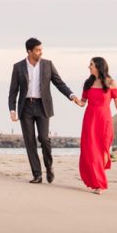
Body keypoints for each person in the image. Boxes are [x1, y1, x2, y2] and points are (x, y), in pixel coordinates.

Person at [8, 37, 82, 184]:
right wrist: (12, 109)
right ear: (29, 51)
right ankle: (37, 175)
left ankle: (49, 167)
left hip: (43, 106)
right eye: (38, 50)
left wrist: (72, 96)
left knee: (44, 138)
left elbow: (59, 83)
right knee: (30, 141)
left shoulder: (48, 65)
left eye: (41, 49)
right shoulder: (18, 67)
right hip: (26, 107)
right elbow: (13, 91)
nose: (41, 52)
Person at [78, 56, 117, 194]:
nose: (89, 67)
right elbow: (82, 103)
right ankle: (98, 183)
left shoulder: (111, 82)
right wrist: (73, 98)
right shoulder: (88, 83)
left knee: (102, 150)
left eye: (91, 64)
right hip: (89, 120)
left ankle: (99, 180)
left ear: (98, 66)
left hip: (104, 120)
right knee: (90, 151)